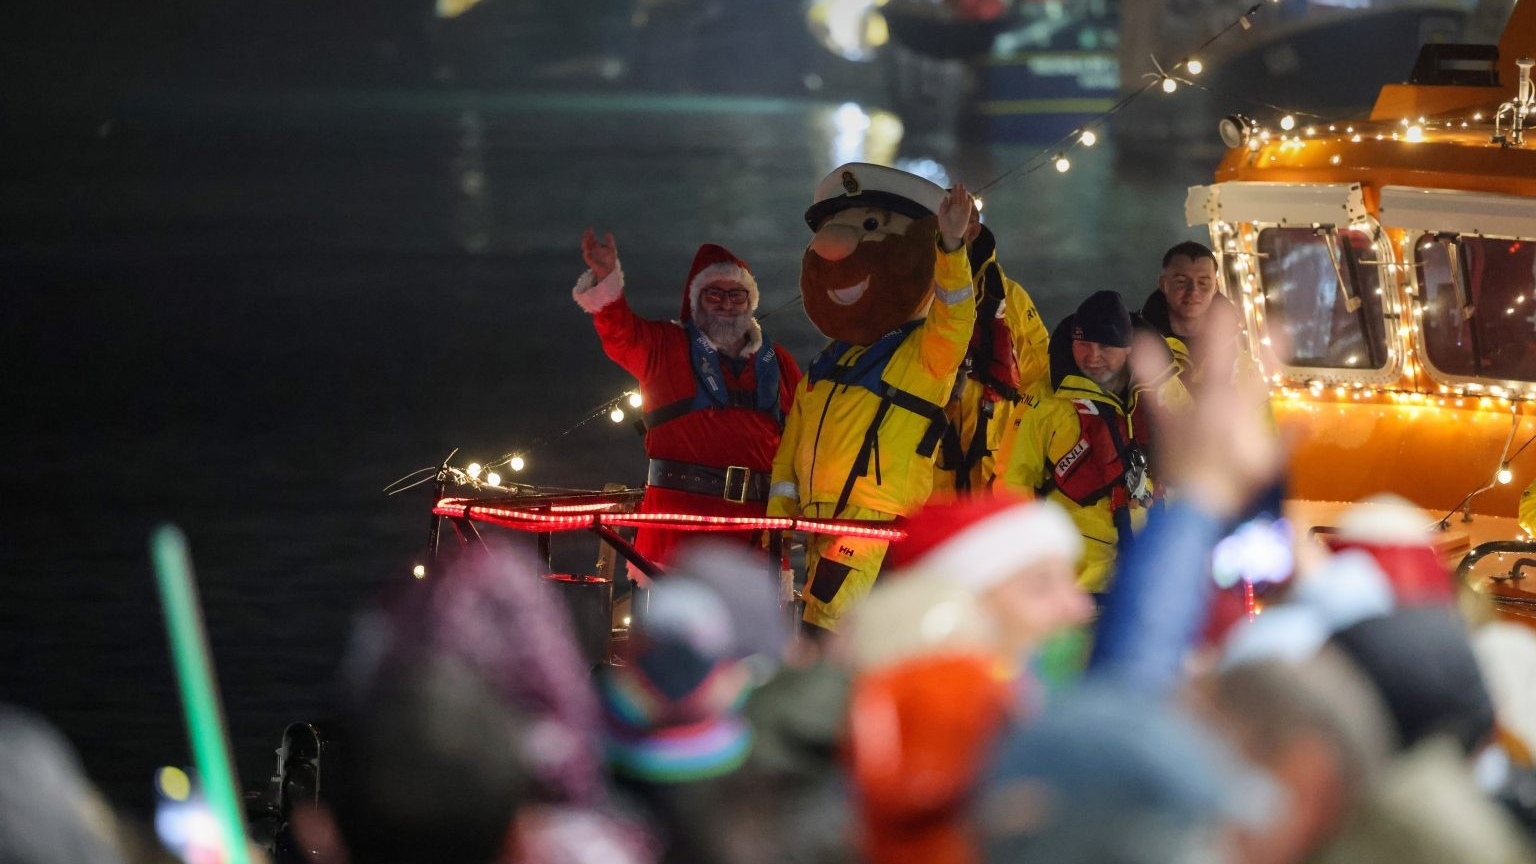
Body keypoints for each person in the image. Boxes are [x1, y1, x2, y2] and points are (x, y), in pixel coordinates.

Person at [769, 164, 976, 633]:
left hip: (875, 531)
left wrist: (950, 246)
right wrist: (778, 527)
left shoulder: (924, 356)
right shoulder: (825, 366)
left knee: (830, 635)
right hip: (819, 530)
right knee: (823, 637)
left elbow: (957, 315)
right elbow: (787, 459)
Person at [573, 230, 801, 570]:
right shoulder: (664, 347)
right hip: (676, 536)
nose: (726, 304)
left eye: (736, 295)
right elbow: (620, 333)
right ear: (696, 300)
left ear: (750, 301)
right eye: (714, 294)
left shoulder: (779, 361)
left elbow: (806, 439)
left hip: (756, 538)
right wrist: (606, 278)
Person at [998, 290, 1188, 592]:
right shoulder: (1044, 401)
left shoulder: (1166, 389)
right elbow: (1012, 482)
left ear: (1128, 347)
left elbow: (1196, 463)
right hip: (1077, 579)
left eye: (1105, 345)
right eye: (1083, 343)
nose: (1092, 355)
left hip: (1158, 570)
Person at [931, 215, 1051, 497]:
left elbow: (1040, 377)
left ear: (973, 229)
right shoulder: (914, 292)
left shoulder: (1010, 297)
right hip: (928, 453)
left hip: (992, 450)